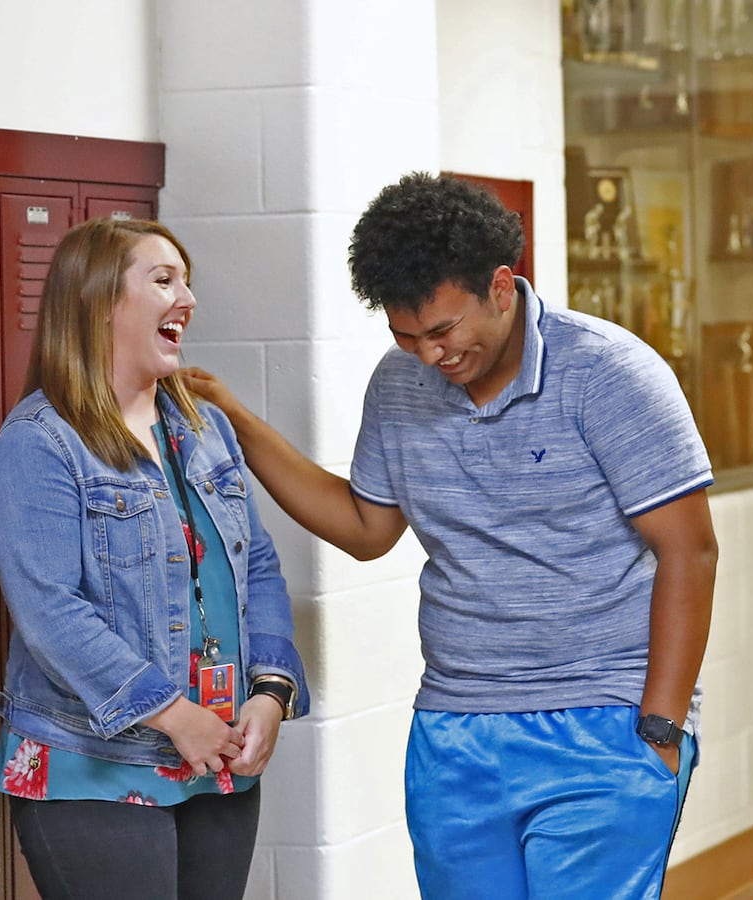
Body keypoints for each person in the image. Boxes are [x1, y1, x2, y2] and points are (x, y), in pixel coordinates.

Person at [183, 172, 717, 898]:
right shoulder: (400, 384)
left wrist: (658, 728)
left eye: (442, 331)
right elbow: (367, 528)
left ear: (502, 287)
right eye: (406, 336)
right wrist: (232, 417)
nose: (430, 356)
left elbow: (689, 550)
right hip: (457, 726)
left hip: (604, 721)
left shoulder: (606, 372)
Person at [0, 216, 309, 900]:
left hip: (216, 753)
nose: (186, 298)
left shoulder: (201, 424)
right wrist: (170, 713)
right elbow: (49, 612)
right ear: (99, 300)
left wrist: (270, 693)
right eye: (164, 280)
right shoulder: (40, 443)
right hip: (95, 764)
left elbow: (260, 567)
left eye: (187, 281)